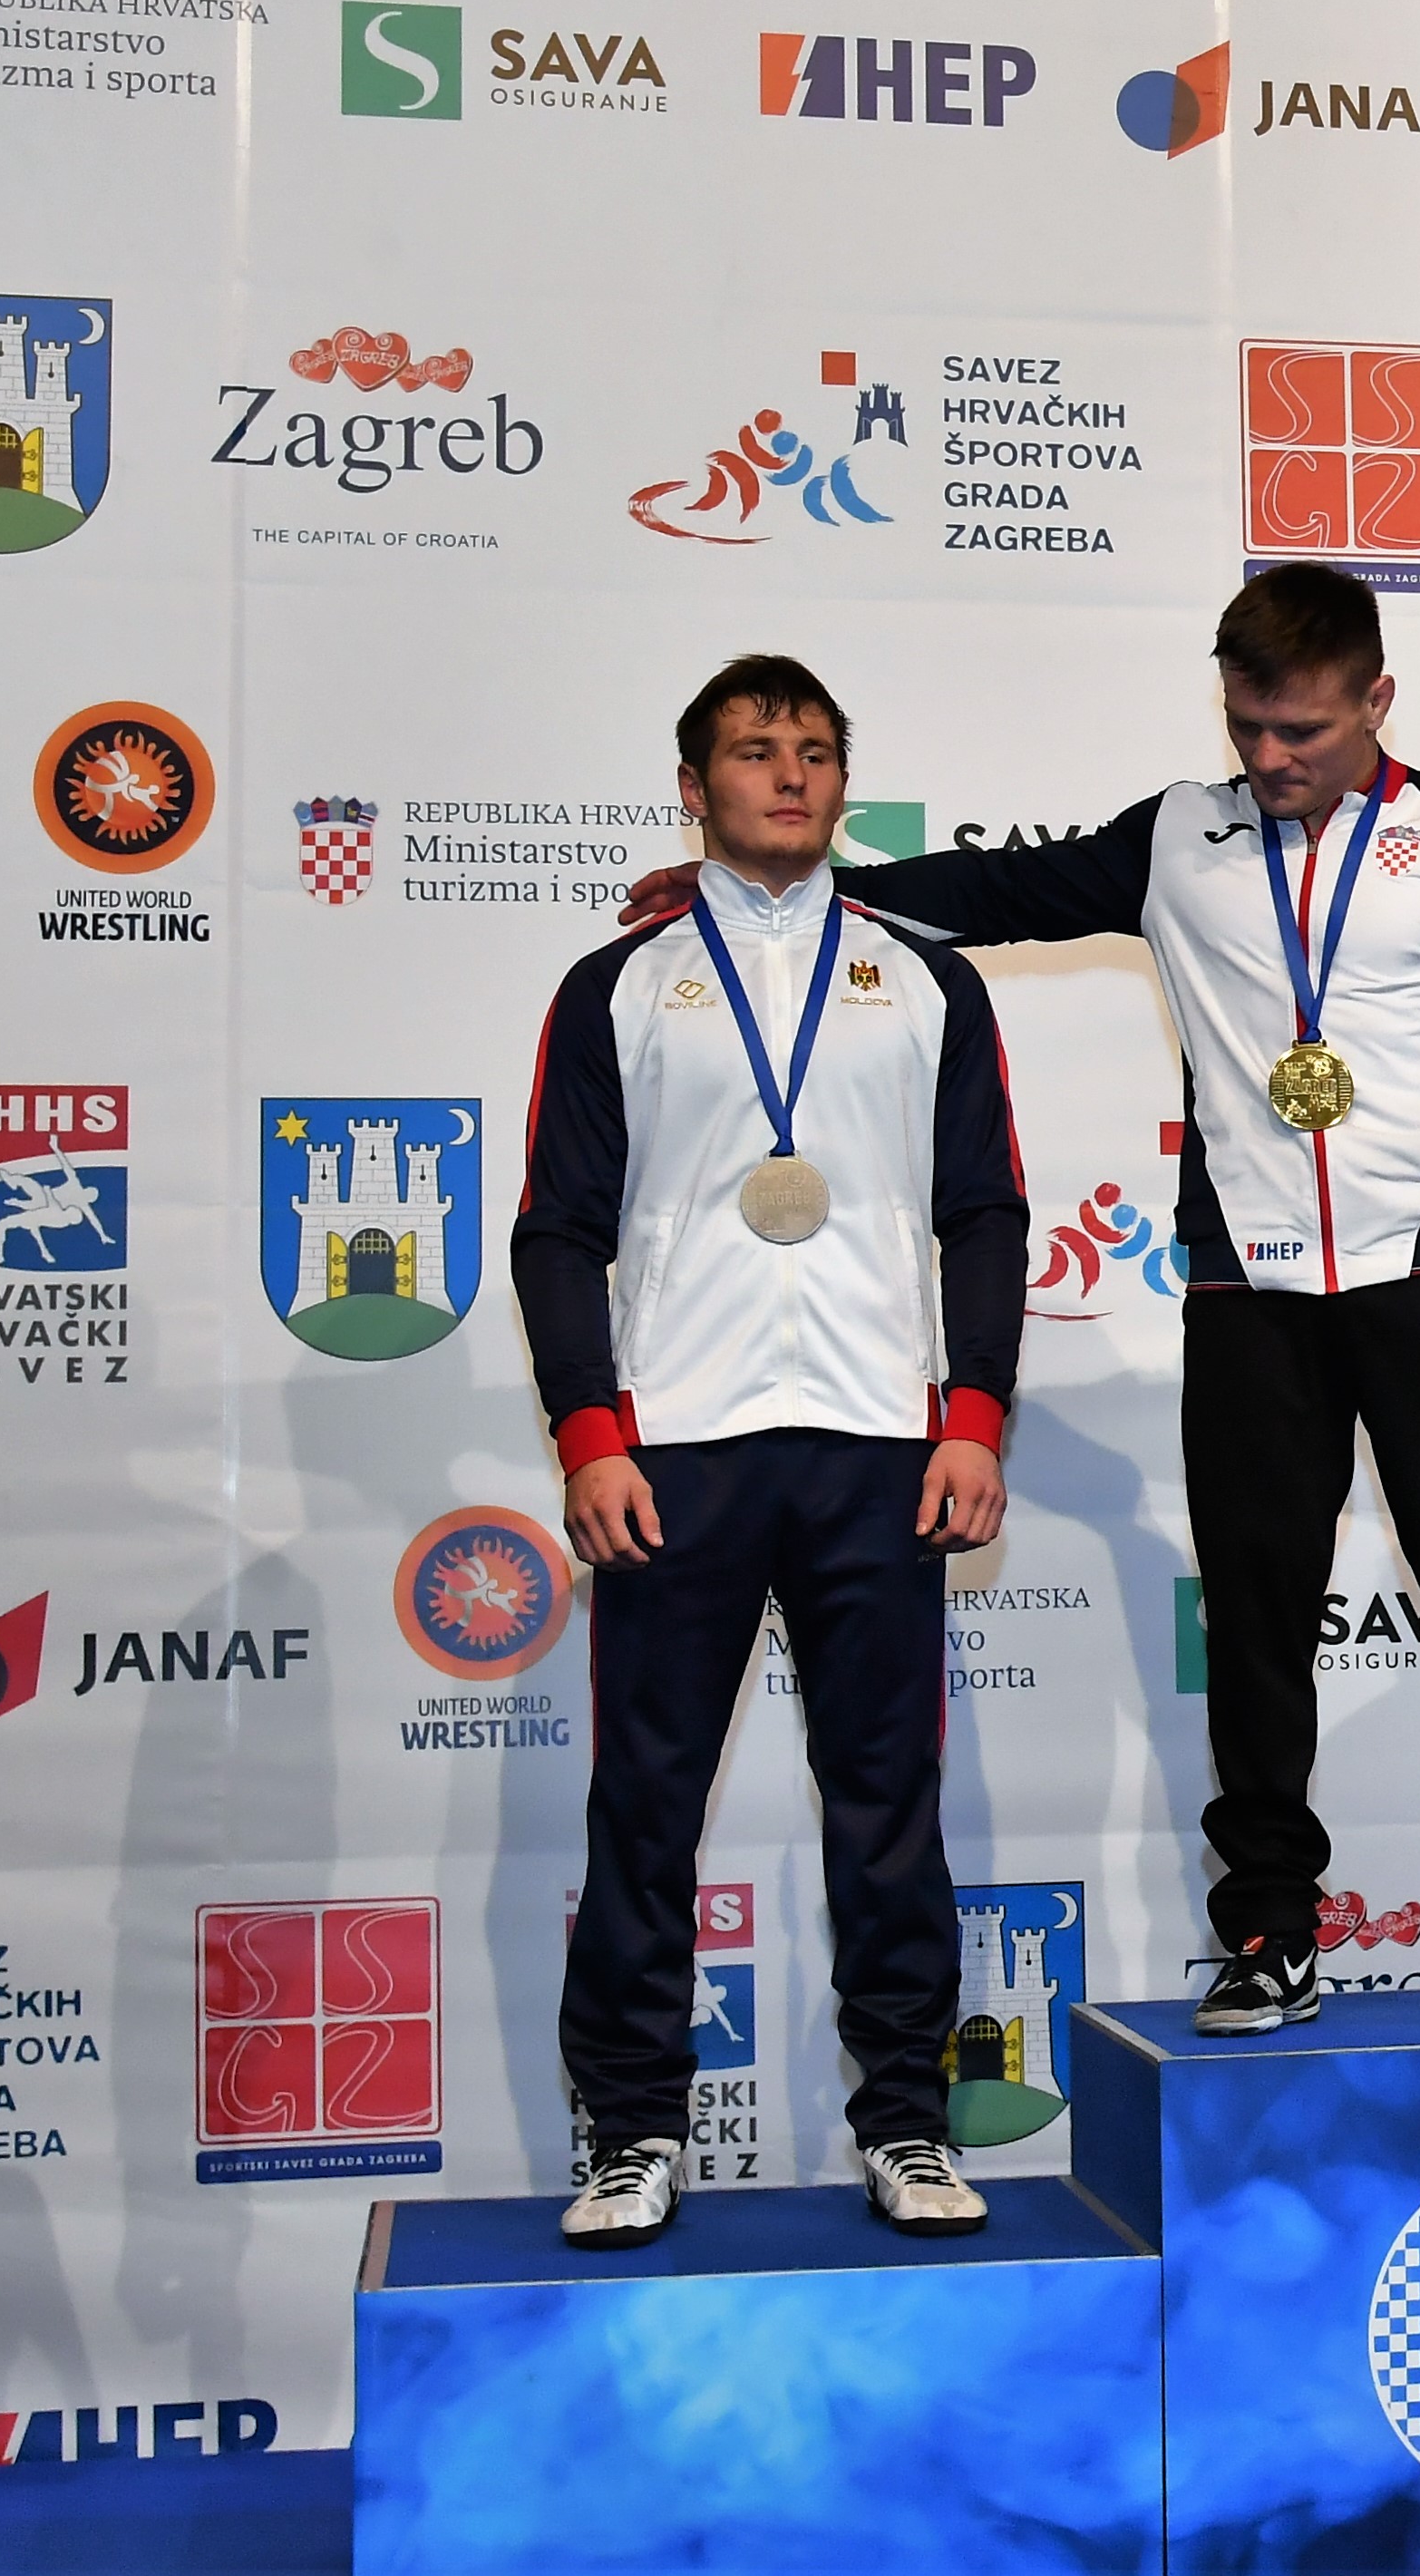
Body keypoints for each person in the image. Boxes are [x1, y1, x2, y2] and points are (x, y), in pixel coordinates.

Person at [625, 565, 1420, 2031]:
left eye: (1302, 731)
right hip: (1249, 1293)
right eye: (1248, 725)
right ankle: (1266, 1931)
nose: (1270, 756)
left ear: (1376, 701)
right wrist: (783, 894)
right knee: (1254, 1628)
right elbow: (998, 896)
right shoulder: (1180, 838)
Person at [518, 654, 1029, 2248]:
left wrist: (972, 1414)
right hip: (679, 1450)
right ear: (694, 786)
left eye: (814, 749)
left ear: (842, 781)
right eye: (754, 750)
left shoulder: (925, 981)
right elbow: (555, 1230)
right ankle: (631, 2130)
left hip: (879, 1442)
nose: (789, 774)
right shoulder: (616, 985)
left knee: (887, 1803)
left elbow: (985, 1213)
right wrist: (590, 1432)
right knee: (644, 1805)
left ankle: (907, 2120)